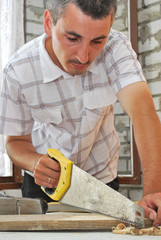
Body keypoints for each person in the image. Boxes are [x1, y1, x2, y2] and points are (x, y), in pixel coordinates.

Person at [0, 0, 161, 226]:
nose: (84, 57)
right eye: (72, 39)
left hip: (102, 184)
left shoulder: (116, 47)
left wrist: (154, 191)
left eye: (97, 41)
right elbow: (15, 142)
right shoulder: (17, 71)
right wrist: (35, 161)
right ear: (48, 23)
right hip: (45, 186)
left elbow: (143, 113)